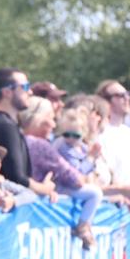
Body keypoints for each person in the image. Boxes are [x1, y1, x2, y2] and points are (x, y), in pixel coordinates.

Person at [19, 97, 102, 247]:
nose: (53, 124)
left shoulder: (22, 139)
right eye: (50, 119)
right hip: (49, 194)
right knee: (95, 193)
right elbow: (75, 179)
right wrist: (90, 159)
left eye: (75, 136)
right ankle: (83, 226)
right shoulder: (42, 144)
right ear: (39, 119)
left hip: (43, 193)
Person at [0, 68, 56, 198]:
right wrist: (44, 189)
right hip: (4, 205)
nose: (30, 92)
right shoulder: (6, 126)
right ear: (7, 92)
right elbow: (16, 177)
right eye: (25, 86)